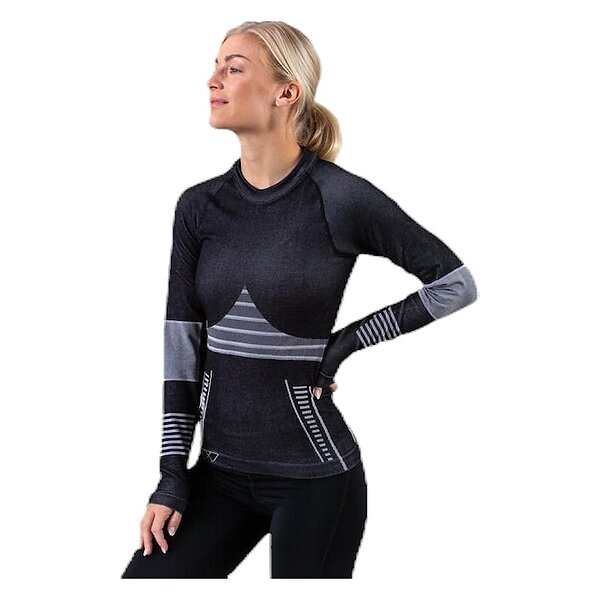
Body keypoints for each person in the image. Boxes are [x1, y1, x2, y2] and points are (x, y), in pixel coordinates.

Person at [121, 20, 478, 579]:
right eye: (216, 66)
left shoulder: (340, 197)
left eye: (234, 68)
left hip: (316, 480)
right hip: (217, 475)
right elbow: (181, 347)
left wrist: (342, 346)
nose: (213, 80)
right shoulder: (198, 206)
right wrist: (171, 475)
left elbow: (454, 284)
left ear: (286, 92)